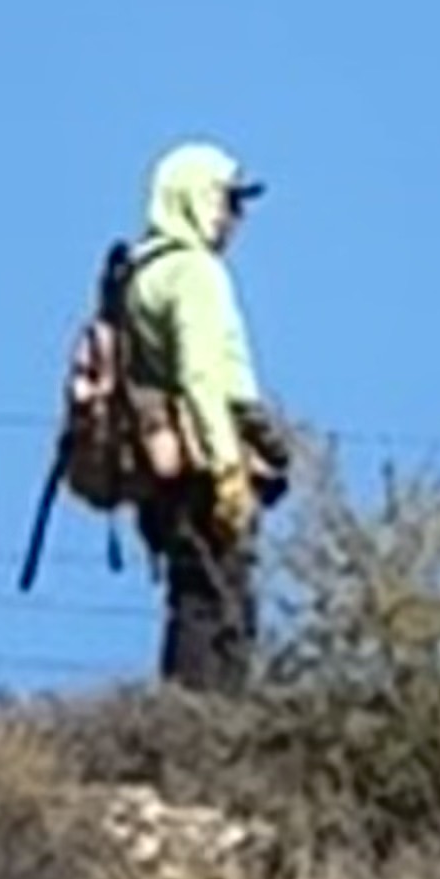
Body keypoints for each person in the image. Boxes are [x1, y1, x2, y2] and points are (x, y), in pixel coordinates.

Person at [121, 141, 287, 691]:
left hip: (163, 464)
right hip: (204, 459)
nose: (237, 218)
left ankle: (179, 730)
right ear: (196, 200)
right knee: (223, 607)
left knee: (191, 596)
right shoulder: (194, 273)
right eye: (228, 202)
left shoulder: (141, 273)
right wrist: (228, 472)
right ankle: (209, 740)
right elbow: (201, 379)